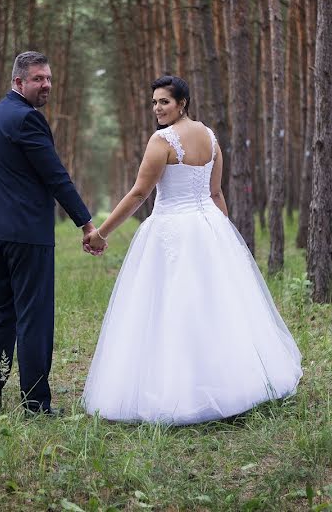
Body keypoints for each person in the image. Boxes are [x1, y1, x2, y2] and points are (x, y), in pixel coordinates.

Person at [81, 75, 302, 425]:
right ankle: (228, 384)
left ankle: (181, 394)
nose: (157, 109)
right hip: (208, 227)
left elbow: (140, 194)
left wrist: (101, 233)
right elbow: (215, 195)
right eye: (154, 103)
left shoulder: (162, 140)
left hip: (173, 229)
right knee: (212, 307)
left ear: (182, 102)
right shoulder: (211, 138)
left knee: (174, 308)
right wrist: (224, 234)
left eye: (164, 102)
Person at [0, 51, 102, 419]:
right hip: (26, 236)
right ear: (18, 82)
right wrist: (86, 223)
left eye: (48, 78)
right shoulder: (28, 119)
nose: (46, 84)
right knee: (33, 317)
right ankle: (35, 405)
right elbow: (55, 175)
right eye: (37, 79)